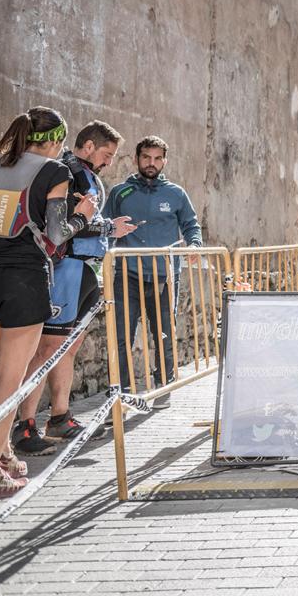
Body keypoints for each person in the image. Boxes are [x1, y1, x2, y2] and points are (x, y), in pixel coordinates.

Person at [0, 106, 96, 500]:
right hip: (22, 281)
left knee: (9, 370)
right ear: (55, 139)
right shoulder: (56, 173)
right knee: (10, 379)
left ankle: (1, 454)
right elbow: (56, 233)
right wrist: (83, 216)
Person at [13, 121, 136, 454]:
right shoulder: (65, 171)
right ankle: (24, 426)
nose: (110, 162)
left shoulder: (87, 174)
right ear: (90, 146)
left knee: (68, 347)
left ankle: (60, 416)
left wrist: (108, 228)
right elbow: (66, 225)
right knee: (47, 348)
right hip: (65, 267)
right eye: (107, 154)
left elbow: (88, 220)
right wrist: (108, 225)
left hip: (86, 269)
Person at [104, 136, 203, 400]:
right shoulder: (120, 192)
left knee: (164, 334)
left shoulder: (176, 193)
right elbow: (104, 227)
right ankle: (122, 393)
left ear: (164, 161)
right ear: (137, 159)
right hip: (127, 276)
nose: (152, 163)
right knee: (122, 336)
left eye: (158, 158)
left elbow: (191, 225)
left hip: (165, 277)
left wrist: (194, 245)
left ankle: (163, 389)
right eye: (146, 157)